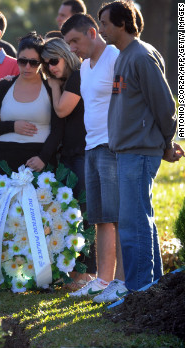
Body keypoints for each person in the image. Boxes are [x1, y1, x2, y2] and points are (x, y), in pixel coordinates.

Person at [98, 1, 181, 295]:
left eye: (106, 24)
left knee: (133, 225)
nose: (101, 30)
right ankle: (153, 289)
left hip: (139, 152)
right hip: (126, 151)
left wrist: (168, 142)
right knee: (140, 220)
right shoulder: (123, 56)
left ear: (122, 24)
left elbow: (165, 104)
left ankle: (137, 290)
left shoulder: (141, 56)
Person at [61, 13, 125, 303]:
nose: (72, 48)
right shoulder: (85, 67)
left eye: (75, 40)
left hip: (114, 147)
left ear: (92, 32)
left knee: (118, 216)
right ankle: (103, 280)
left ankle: (123, 281)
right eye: (68, 43)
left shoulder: (115, 55)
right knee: (99, 218)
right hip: (91, 146)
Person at [41, 37, 97, 287]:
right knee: (73, 215)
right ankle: (76, 271)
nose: (50, 68)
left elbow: (62, 110)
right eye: (46, 64)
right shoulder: (69, 79)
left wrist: (53, 87)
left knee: (85, 214)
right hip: (72, 154)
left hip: (83, 153)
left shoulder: (77, 74)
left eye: (54, 61)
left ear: (65, 54)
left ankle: (87, 274)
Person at [0, 32, 63, 173]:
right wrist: (13, 126)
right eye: (22, 61)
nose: (27, 67)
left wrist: (43, 158)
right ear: (17, 59)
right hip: (4, 160)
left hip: (38, 161)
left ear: (42, 62)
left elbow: (59, 129)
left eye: (33, 62)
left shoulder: (51, 87)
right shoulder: (3, 86)